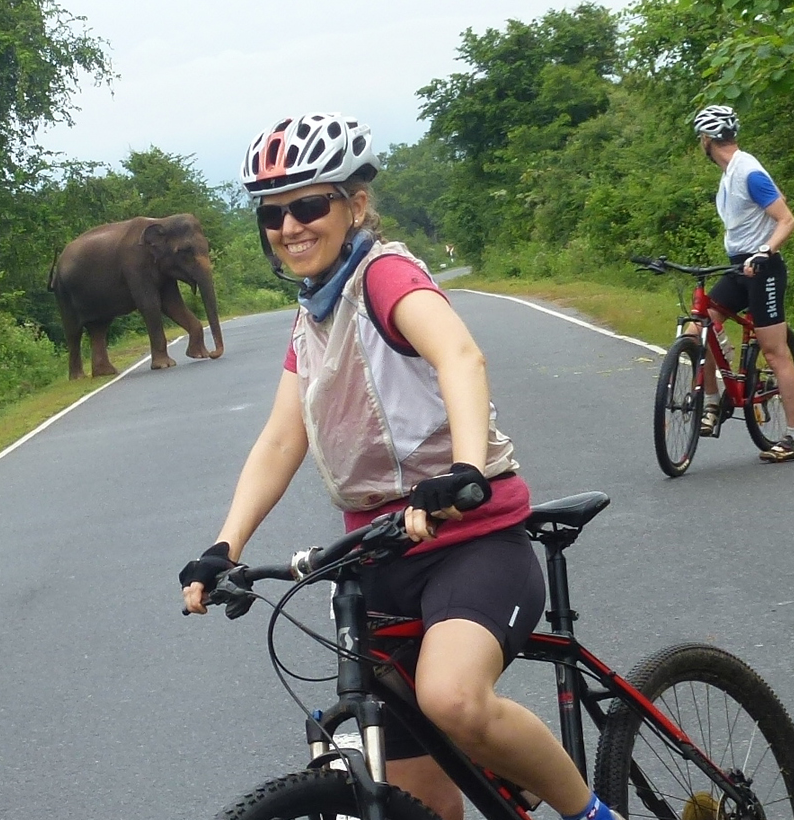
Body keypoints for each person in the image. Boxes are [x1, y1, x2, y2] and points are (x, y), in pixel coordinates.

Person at [179, 114, 623, 820]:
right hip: (380, 553)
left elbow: (459, 356)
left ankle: (594, 816)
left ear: (354, 204)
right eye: (273, 212)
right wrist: (222, 545)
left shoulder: (384, 276)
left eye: (308, 204)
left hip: (471, 539)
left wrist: (468, 470)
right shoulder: (311, 314)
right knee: (423, 801)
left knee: (452, 699)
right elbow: (280, 440)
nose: (289, 225)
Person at [692, 104, 794, 462]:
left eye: (701, 138)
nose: (701, 143)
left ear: (708, 139)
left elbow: (786, 219)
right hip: (739, 268)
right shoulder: (729, 174)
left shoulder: (748, 171)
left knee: (774, 352)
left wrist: (764, 252)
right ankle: (713, 403)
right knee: (704, 321)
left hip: (763, 268)